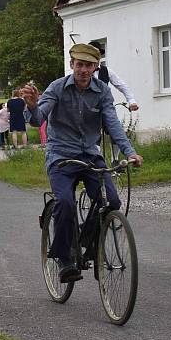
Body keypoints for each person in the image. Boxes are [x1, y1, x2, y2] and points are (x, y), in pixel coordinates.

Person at [21, 43, 143, 283]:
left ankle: (88, 245)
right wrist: (32, 106)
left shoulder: (102, 92)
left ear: (96, 67)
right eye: (79, 65)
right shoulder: (57, 88)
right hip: (61, 156)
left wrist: (130, 152)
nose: (83, 70)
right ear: (71, 65)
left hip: (90, 154)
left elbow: (112, 124)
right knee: (65, 201)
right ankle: (63, 257)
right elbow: (38, 119)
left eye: (88, 65)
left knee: (111, 200)